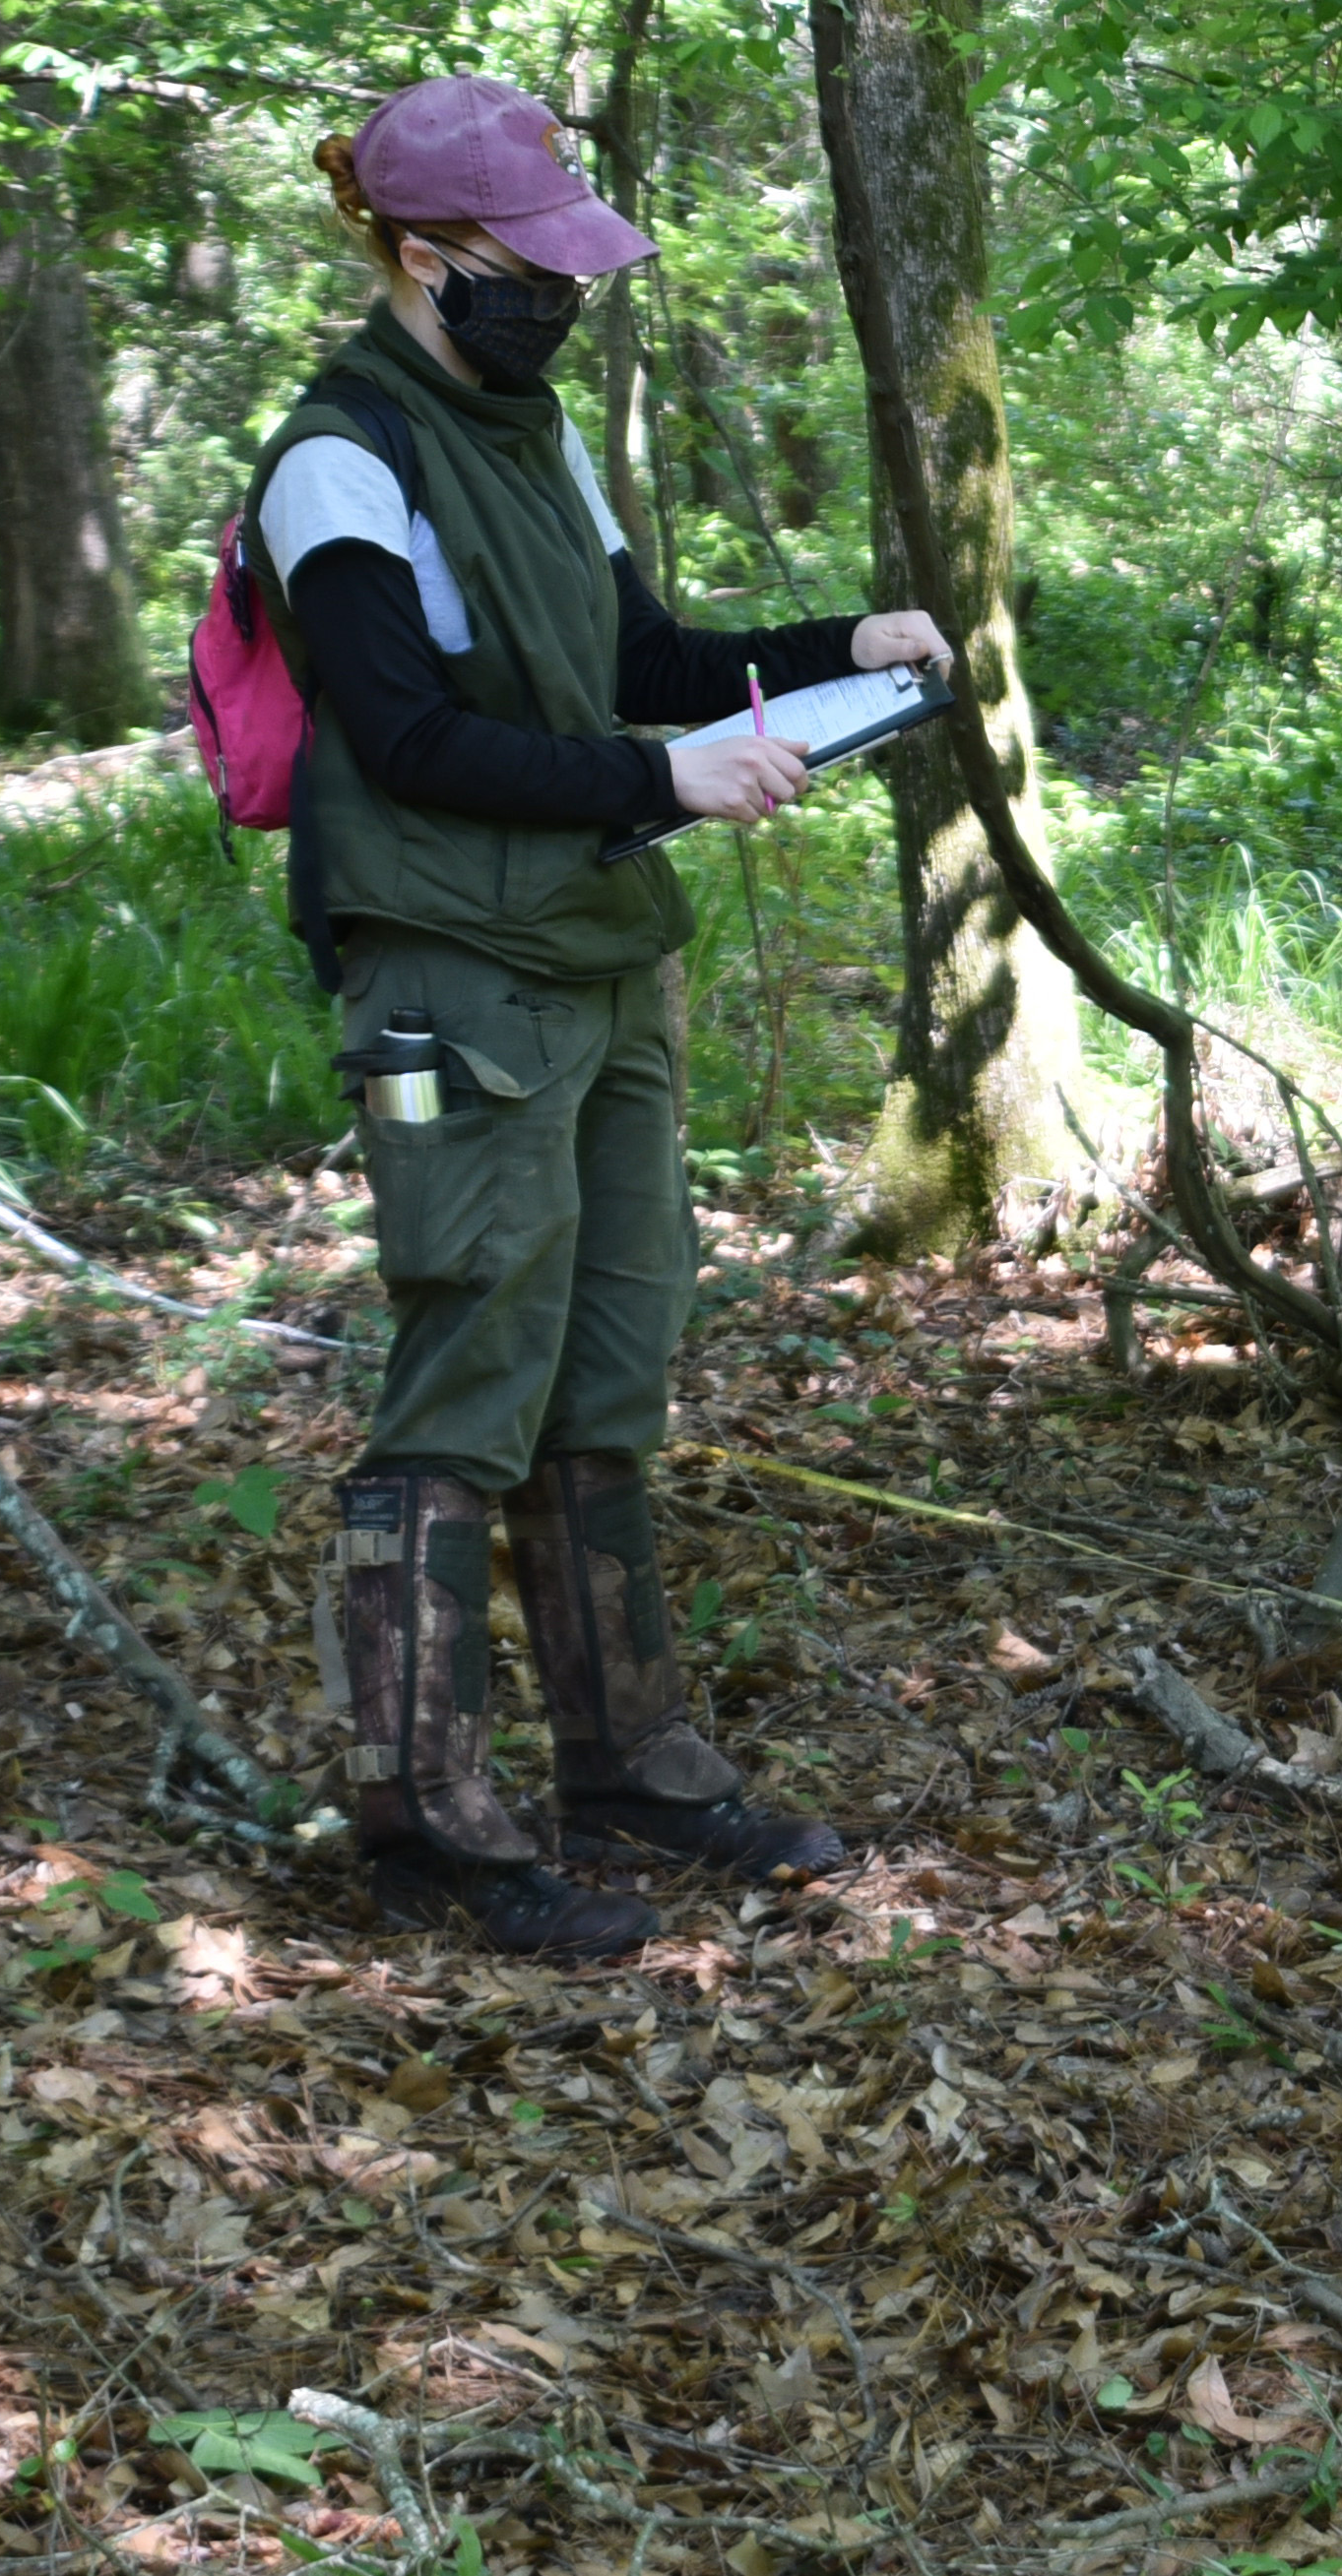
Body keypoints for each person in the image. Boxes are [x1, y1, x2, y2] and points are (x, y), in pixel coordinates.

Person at [251, 75, 946, 1959]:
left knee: (607, 1365)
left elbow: (639, 658)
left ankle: (624, 1753)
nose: (555, 296)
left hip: (598, 949)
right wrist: (662, 782)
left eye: (567, 266)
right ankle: (423, 1819)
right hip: (449, 967)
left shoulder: (537, 429)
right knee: (468, 1371)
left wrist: (830, 654)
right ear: (417, 256)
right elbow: (403, 735)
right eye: (520, 267)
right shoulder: (339, 458)